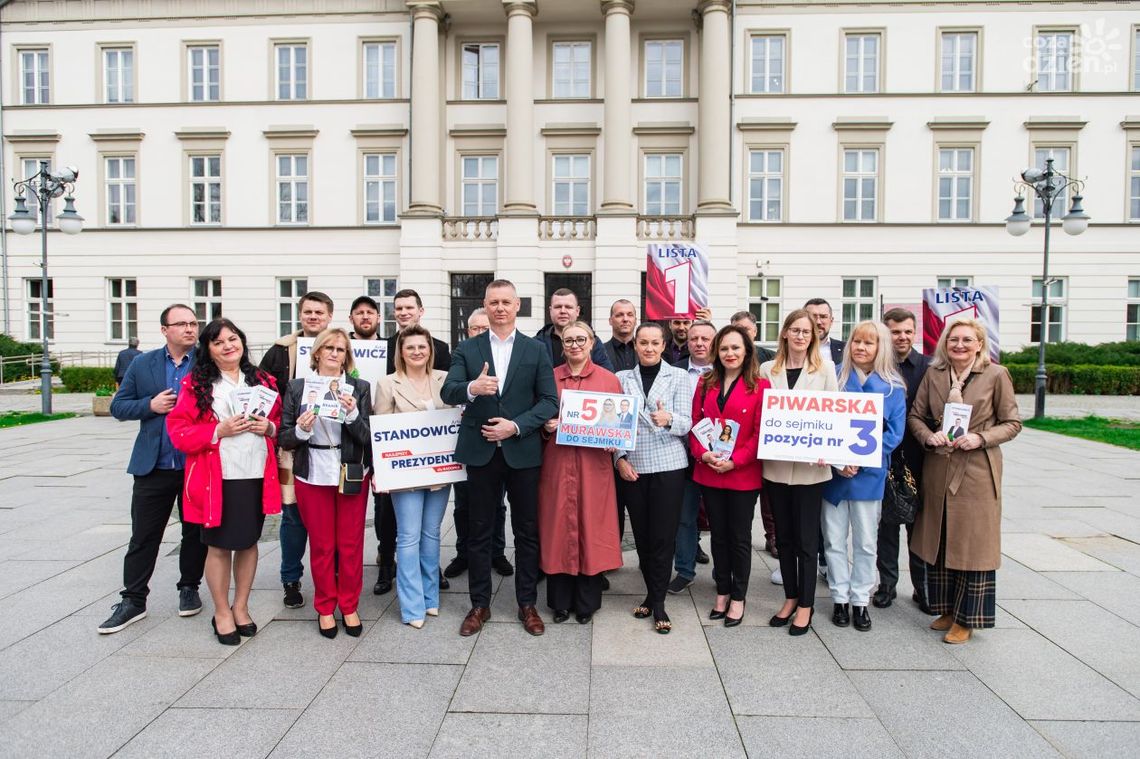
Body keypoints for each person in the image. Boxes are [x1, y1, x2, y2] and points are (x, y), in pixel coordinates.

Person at [442, 279, 559, 637]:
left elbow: (549, 402)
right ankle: (479, 604)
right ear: (486, 305)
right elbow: (448, 390)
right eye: (494, 302)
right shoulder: (468, 347)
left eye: (506, 302)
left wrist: (516, 427)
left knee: (526, 531)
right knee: (478, 531)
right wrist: (472, 389)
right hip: (481, 452)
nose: (500, 308)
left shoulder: (536, 349)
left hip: (522, 452)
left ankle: (527, 603)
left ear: (517, 304)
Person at [166, 318, 282, 645]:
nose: (228, 346)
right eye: (219, 342)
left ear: (242, 342)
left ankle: (241, 606)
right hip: (217, 476)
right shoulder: (197, 385)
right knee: (217, 545)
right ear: (210, 350)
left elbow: (277, 420)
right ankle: (221, 611)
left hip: (255, 472)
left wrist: (269, 428)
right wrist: (218, 430)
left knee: (248, 542)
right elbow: (179, 432)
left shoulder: (263, 380)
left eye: (233, 339)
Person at [908, 319, 1021, 644]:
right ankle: (946, 609)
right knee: (940, 540)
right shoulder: (936, 374)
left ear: (979, 343)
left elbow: (1012, 422)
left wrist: (981, 438)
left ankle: (968, 618)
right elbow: (916, 415)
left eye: (966, 340)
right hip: (939, 466)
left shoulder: (996, 375)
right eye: (954, 339)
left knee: (971, 544)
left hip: (975, 470)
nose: (959, 345)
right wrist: (929, 436)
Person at [99, 305, 207, 634]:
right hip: (154, 465)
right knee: (144, 535)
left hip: (195, 464)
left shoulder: (207, 362)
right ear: (164, 330)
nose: (190, 329)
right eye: (181, 324)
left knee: (196, 532)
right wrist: (150, 405)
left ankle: (189, 588)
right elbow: (118, 405)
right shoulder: (143, 363)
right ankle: (133, 600)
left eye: (193, 323)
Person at [279, 327, 373, 639]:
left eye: (341, 349)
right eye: (329, 347)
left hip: (349, 471)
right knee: (321, 545)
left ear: (347, 357)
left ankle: (348, 604)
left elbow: (367, 438)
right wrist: (303, 431)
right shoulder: (296, 387)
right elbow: (285, 436)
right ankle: (324, 607)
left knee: (350, 544)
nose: (334, 353)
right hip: (312, 471)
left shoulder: (359, 387)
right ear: (317, 352)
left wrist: (352, 415)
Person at [822, 321, 906, 633]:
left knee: (866, 542)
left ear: (879, 348)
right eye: (856, 341)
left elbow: (895, 434)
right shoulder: (836, 381)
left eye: (869, 343)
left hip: (869, 474)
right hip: (835, 475)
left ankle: (860, 600)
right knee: (833, 540)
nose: (860, 347)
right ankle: (839, 597)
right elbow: (824, 427)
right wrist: (837, 460)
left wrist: (858, 458)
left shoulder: (893, 388)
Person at [538, 321, 624, 624]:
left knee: (591, 528)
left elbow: (618, 425)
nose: (575, 345)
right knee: (558, 529)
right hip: (558, 464)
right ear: (562, 346)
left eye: (581, 339)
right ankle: (559, 602)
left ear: (591, 343)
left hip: (592, 467)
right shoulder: (548, 378)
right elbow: (538, 418)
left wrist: (615, 440)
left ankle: (586, 602)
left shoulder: (609, 380)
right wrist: (547, 427)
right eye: (569, 340)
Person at [760, 309, 839, 635]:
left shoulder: (825, 370)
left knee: (807, 542)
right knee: (785, 539)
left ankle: (806, 605)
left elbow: (833, 414)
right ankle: (790, 597)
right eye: (794, 330)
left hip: (810, 472)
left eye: (806, 331)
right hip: (776, 468)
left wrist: (828, 450)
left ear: (814, 336)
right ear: (785, 334)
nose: (800, 336)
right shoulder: (768, 369)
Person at [614, 322, 693, 634]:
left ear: (664, 346)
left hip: (669, 465)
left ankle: (658, 601)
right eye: (642, 342)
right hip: (633, 466)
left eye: (654, 343)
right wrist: (619, 459)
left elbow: (688, 422)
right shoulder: (622, 378)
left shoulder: (679, 376)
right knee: (643, 537)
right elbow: (613, 425)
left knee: (663, 535)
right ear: (635, 345)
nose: (648, 348)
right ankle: (650, 590)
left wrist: (669, 418)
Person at [259, 290, 334, 609]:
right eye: (308, 312)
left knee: (331, 516)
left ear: (330, 316)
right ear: (300, 315)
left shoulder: (341, 346)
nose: (313, 317)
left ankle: (331, 576)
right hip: (293, 445)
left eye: (319, 312)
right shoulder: (280, 351)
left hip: (333, 445)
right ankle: (291, 578)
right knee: (293, 516)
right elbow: (262, 391)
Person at [691, 325, 769, 627]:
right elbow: (697, 421)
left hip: (742, 475)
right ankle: (721, 591)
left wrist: (735, 461)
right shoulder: (705, 382)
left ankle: (739, 596)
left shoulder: (761, 387)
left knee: (739, 538)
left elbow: (759, 434)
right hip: (709, 470)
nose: (730, 353)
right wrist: (702, 454)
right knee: (718, 537)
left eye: (735, 348)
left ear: (747, 351)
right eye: (724, 348)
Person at [376, 289, 454, 594]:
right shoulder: (385, 362)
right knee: (402, 530)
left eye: (409, 307)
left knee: (431, 532)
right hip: (402, 465)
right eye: (399, 308)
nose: (418, 351)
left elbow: (452, 412)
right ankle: (398, 582)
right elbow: (381, 422)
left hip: (436, 466)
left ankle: (430, 584)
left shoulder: (443, 369)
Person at [442, 309, 511, 581]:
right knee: (462, 504)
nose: (480, 333)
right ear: (468, 331)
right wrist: (472, 386)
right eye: (475, 328)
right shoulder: (464, 354)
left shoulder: (505, 355)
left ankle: (497, 552)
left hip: (500, 443)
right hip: (469, 444)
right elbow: (450, 390)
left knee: (498, 504)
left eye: (485, 328)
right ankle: (463, 553)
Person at [874, 308, 932, 611]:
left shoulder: (928, 366)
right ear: (886, 333)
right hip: (882, 455)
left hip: (918, 457)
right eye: (896, 332)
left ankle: (921, 587)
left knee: (917, 527)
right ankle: (887, 584)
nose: (903, 337)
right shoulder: (875, 366)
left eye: (908, 331)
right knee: (886, 525)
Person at [667, 319, 715, 595]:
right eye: (694, 338)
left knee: (720, 521)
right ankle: (684, 570)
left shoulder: (727, 371)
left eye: (705, 339)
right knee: (684, 518)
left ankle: (725, 573)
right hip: (683, 456)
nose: (698, 343)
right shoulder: (674, 372)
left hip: (718, 458)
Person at [730, 310, 779, 559]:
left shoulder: (770, 359)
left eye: (746, 329)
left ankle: (772, 537)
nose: (742, 333)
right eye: (737, 328)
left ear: (755, 331)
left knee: (769, 498)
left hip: (765, 437)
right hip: (737, 442)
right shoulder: (727, 357)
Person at [533, 288, 614, 370]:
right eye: (558, 307)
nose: (563, 311)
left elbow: (606, 374)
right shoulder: (536, 343)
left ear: (577, 311)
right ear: (550, 311)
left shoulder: (593, 342)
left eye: (568, 307)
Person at [804, 298, 845, 364]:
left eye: (823, 317)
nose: (818, 322)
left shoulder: (846, 349)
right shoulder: (790, 351)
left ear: (831, 321)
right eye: (813, 317)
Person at [604, 299, 638, 373]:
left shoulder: (646, 351)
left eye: (630, 315)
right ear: (610, 321)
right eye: (619, 315)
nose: (625, 319)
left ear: (635, 321)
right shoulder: (600, 352)